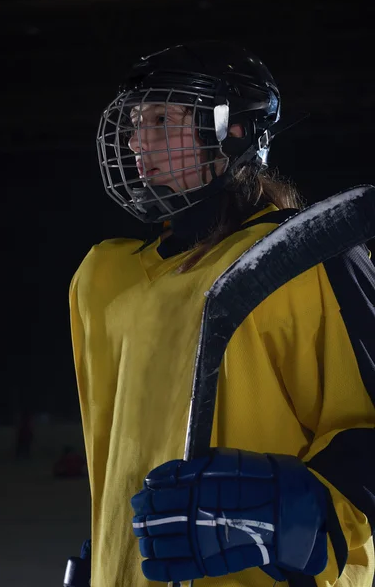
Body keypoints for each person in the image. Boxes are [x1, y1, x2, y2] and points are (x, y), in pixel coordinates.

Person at [69, 41, 375, 587]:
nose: (138, 140)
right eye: (136, 122)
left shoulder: (302, 259)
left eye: (161, 117)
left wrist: (292, 511)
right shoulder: (104, 282)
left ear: (233, 129)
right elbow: (121, 459)